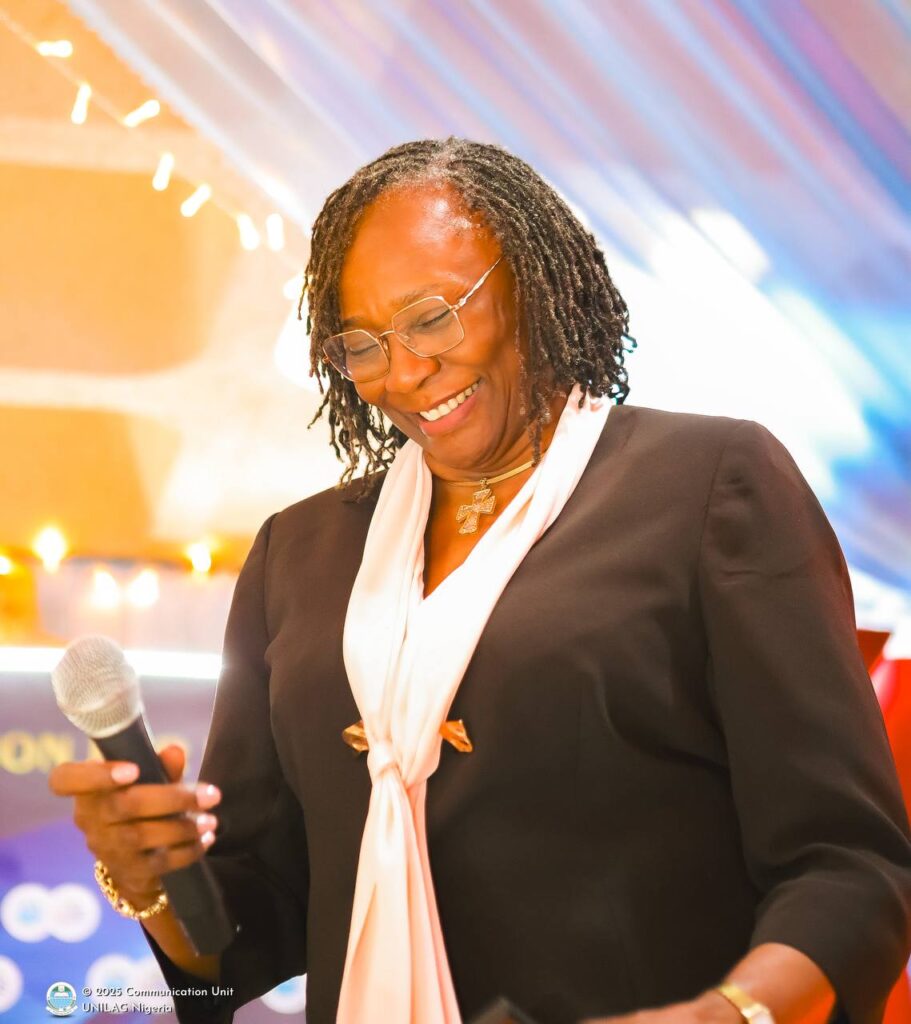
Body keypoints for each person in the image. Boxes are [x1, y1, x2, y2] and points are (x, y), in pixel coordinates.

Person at [50, 138, 911, 1024]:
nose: (403, 372)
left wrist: (729, 1014)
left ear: (529, 284)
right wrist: (154, 878)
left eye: (431, 318)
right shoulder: (296, 555)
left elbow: (850, 867)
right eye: (361, 345)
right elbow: (241, 943)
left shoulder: (708, 485)